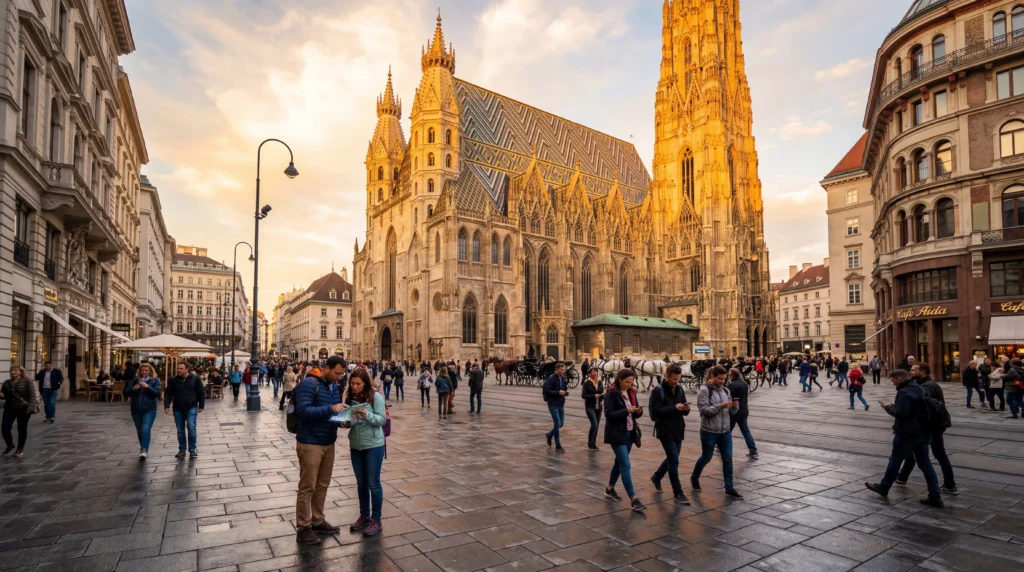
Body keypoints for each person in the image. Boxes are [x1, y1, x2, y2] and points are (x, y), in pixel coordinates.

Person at [864, 369, 943, 508]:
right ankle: (935, 496)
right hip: (924, 431)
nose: (893, 383)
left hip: (907, 432)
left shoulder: (904, 392)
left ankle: (884, 487)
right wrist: (898, 406)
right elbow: (915, 408)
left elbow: (903, 414)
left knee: (895, 459)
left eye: (893, 380)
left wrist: (888, 408)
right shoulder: (918, 388)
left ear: (900, 379)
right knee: (925, 463)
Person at [293, 356, 348, 545]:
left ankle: (317, 520)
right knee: (307, 486)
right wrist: (331, 408)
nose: (339, 377)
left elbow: (332, 414)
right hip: (310, 442)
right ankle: (303, 528)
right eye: (336, 373)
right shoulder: (309, 384)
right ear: (327, 368)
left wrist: (342, 421)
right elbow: (303, 411)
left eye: (341, 374)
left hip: (328, 441)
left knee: (322, 484)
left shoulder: (334, 387)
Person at [895, 364, 956, 493]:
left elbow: (921, 405)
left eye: (913, 370)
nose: (910, 372)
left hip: (930, 425)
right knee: (916, 451)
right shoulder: (930, 384)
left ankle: (949, 484)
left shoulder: (926, 387)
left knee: (935, 454)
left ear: (922, 372)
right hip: (936, 423)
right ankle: (902, 477)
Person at [343, 368, 387, 537]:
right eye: (352, 383)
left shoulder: (375, 397)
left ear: (365, 383)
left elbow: (381, 419)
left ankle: (376, 519)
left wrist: (367, 415)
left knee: (373, 483)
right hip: (356, 445)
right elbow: (353, 420)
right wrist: (346, 422)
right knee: (361, 483)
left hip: (374, 445)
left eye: (358, 384)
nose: (354, 387)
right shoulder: (350, 398)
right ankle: (364, 516)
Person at [691, 365, 743, 499]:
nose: (722, 381)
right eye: (720, 379)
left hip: (725, 431)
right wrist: (721, 406)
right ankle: (694, 477)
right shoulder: (704, 390)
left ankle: (729, 488)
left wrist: (735, 407)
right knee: (706, 457)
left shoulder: (725, 390)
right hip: (709, 431)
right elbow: (704, 411)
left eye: (724, 379)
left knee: (728, 459)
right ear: (712, 376)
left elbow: (731, 412)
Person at [604, 369, 646, 511]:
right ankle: (634, 499)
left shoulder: (631, 392)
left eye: (631, 382)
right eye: (627, 382)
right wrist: (626, 411)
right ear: (620, 379)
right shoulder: (612, 394)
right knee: (626, 465)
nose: (629, 384)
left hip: (629, 433)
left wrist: (638, 412)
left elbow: (634, 414)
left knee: (619, 462)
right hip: (616, 434)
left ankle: (610, 488)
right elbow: (609, 414)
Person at [649, 363, 692, 504]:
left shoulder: (679, 389)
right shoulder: (658, 391)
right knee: (674, 460)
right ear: (666, 376)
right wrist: (674, 407)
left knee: (672, 458)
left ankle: (657, 476)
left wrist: (685, 408)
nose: (676, 382)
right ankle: (678, 492)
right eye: (674, 379)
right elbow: (656, 412)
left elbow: (684, 410)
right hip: (665, 430)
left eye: (678, 379)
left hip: (678, 429)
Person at [164, 363, 205, 459]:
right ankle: (182, 450)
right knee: (180, 430)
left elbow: (201, 392)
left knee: (191, 427)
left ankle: (192, 450)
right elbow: (168, 393)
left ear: (187, 369)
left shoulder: (195, 378)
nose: (179, 370)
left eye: (181, 368)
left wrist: (201, 405)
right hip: (178, 407)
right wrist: (167, 405)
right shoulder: (173, 380)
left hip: (191, 406)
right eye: (178, 368)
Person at [124, 363, 161, 460]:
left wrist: (147, 387)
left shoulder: (155, 380)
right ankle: (143, 448)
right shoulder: (135, 380)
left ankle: (144, 450)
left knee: (145, 429)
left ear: (150, 371)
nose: (144, 372)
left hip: (149, 409)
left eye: (146, 370)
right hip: (136, 409)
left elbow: (157, 393)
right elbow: (126, 391)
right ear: (139, 371)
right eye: (142, 370)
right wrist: (133, 388)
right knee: (140, 431)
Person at [1, 365, 38, 457]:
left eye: (16, 370)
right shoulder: (7, 382)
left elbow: (32, 396)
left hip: (23, 408)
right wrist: (2, 395)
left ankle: (20, 449)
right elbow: (4, 396)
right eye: (12, 371)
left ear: (21, 372)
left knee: (21, 428)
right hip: (9, 407)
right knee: (5, 428)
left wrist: (30, 408)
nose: (13, 372)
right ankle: (10, 445)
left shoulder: (27, 381)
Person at [727, 368, 758, 459]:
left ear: (732, 375)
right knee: (746, 431)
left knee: (727, 431)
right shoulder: (744, 384)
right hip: (744, 411)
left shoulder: (731, 385)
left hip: (734, 411)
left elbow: (728, 397)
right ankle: (753, 450)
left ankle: (724, 449)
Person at [543, 362, 569, 453]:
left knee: (561, 424)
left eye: (564, 369)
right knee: (557, 423)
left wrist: (565, 392)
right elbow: (547, 391)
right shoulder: (551, 379)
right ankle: (558, 445)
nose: (563, 371)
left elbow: (564, 388)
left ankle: (549, 434)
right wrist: (558, 392)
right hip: (553, 403)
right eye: (561, 370)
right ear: (557, 369)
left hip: (561, 403)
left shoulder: (563, 378)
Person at [582, 368, 605, 452]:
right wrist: (593, 396)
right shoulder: (587, 383)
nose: (595, 373)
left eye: (596, 372)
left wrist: (603, 395)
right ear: (589, 374)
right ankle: (589, 444)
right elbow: (583, 396)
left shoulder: (600, 382)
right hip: (590, 406)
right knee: (594, 424)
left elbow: (601, 393)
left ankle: (593, 444)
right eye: (593, 372)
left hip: (599, 406)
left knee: (597, 426)